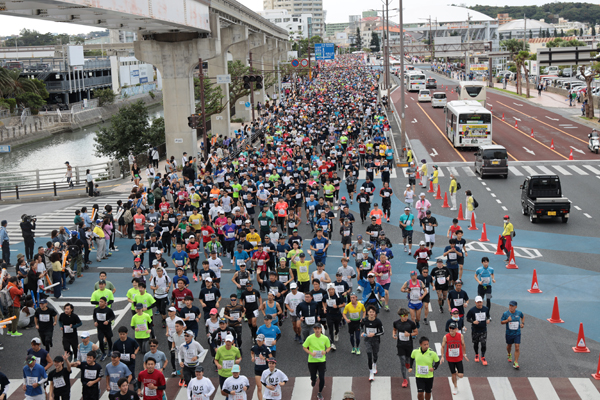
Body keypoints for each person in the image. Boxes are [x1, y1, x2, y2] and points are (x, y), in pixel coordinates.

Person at [302, 323, 331, 400]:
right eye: (316, 329)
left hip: (321, 361)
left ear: (321, 329)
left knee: (322, 377)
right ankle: (314, 379)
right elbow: (304, 347)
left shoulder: (325, 338)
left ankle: (320, 392)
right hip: (312, 361)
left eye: (319, 328)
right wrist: (311, 353)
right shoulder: (310, 338)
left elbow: (329, 347)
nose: (317, 330)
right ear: (314, 329)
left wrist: (325, 352)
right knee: (312, 376)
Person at [393, 307, 418, 388]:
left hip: (409, 345)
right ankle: (404, 379)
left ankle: (408, 362)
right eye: (404, 316)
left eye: (407, 315)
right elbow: (394, 329)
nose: (406, 317)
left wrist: (410, 334)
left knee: (407, 359)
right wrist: (393, 334)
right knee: (402, 362)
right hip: (400, 345)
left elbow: (416, 332)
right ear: (400, 316)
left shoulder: (411, 323)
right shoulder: (396, 323)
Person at [361, 305, 384, 381]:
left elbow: (382, 332)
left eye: (373, 312)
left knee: (375, 354)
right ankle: (371, 372)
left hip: (376, 340)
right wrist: (362, 332)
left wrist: (374, 334)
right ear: (367, 313)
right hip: (367, 340)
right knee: (369, 354)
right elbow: (361, 326)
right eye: (370, 312)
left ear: (375, 313)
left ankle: (374, 363)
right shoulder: (365, 320)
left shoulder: (378, 321)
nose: (371, 313)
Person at [466, 296, 491, 366]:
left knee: (483, 343)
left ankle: (483, 356)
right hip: (475, 330)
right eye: (478, 302)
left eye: (480, 302)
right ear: (475, 302)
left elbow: (489, 316)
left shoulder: (486, 309)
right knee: (476, 343)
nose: (479, 303)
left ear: (482, 302)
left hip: (483, 329)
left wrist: (489, 320)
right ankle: (476, 354)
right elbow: (467, 319)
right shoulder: (472, 310)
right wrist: (473, 322)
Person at [501, 300, 524, 370]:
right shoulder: (505, 314)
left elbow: (523, 316)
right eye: (510, 305)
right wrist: (507, 320)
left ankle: (516, 362)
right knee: (509, 346)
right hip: (509, 333)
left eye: (512, 306)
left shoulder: (519, 313)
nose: (511, 307)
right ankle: (509, 354)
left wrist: (523, 323)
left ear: (515, 307)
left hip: (517, 333)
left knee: (517, 347)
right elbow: (502, 322)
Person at [93, 297, 116, 361]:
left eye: (102, 302)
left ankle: (110, 349)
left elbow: (113, 316)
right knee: (100, 340)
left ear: (105, 303)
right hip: (100, 328)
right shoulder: (96, 309)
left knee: (109, 339)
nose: (100, 303)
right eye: (100, 301)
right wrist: (95, 322)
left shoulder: (108, 310)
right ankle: (103, 353)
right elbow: (94, 316)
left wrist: (108, 321)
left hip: (107, 328)